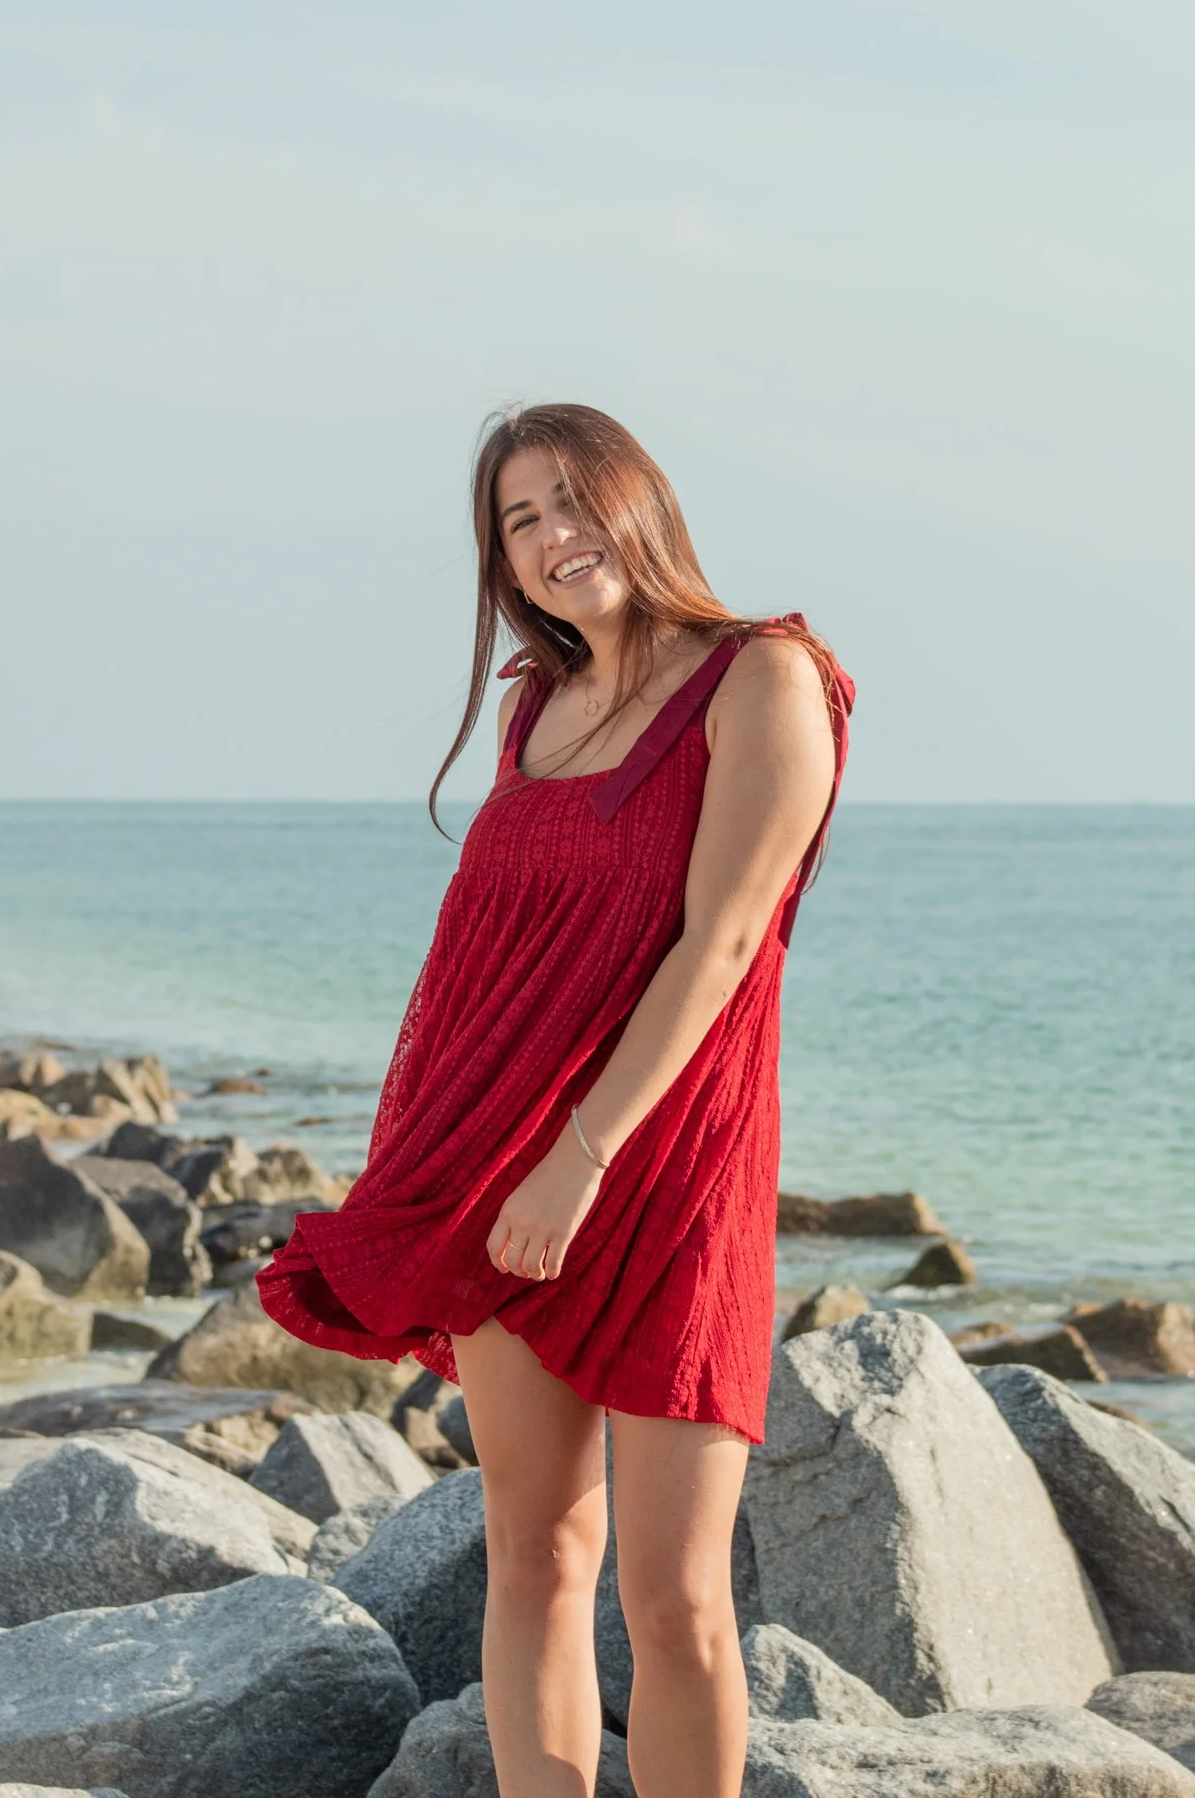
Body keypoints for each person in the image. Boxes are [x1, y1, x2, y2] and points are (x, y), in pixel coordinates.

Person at [258, 402, 853, 1798]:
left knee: (676, 1597)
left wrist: (580, 1154)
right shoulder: (534, 703)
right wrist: (442, 1162)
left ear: (639, 506)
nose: (549, 536)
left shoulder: (764, 677)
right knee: (531, 1547)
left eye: (572, 500)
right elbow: (483, 965)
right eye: (517, 519)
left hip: (659, 1168)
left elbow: (720, 942)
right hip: (499, 1166)